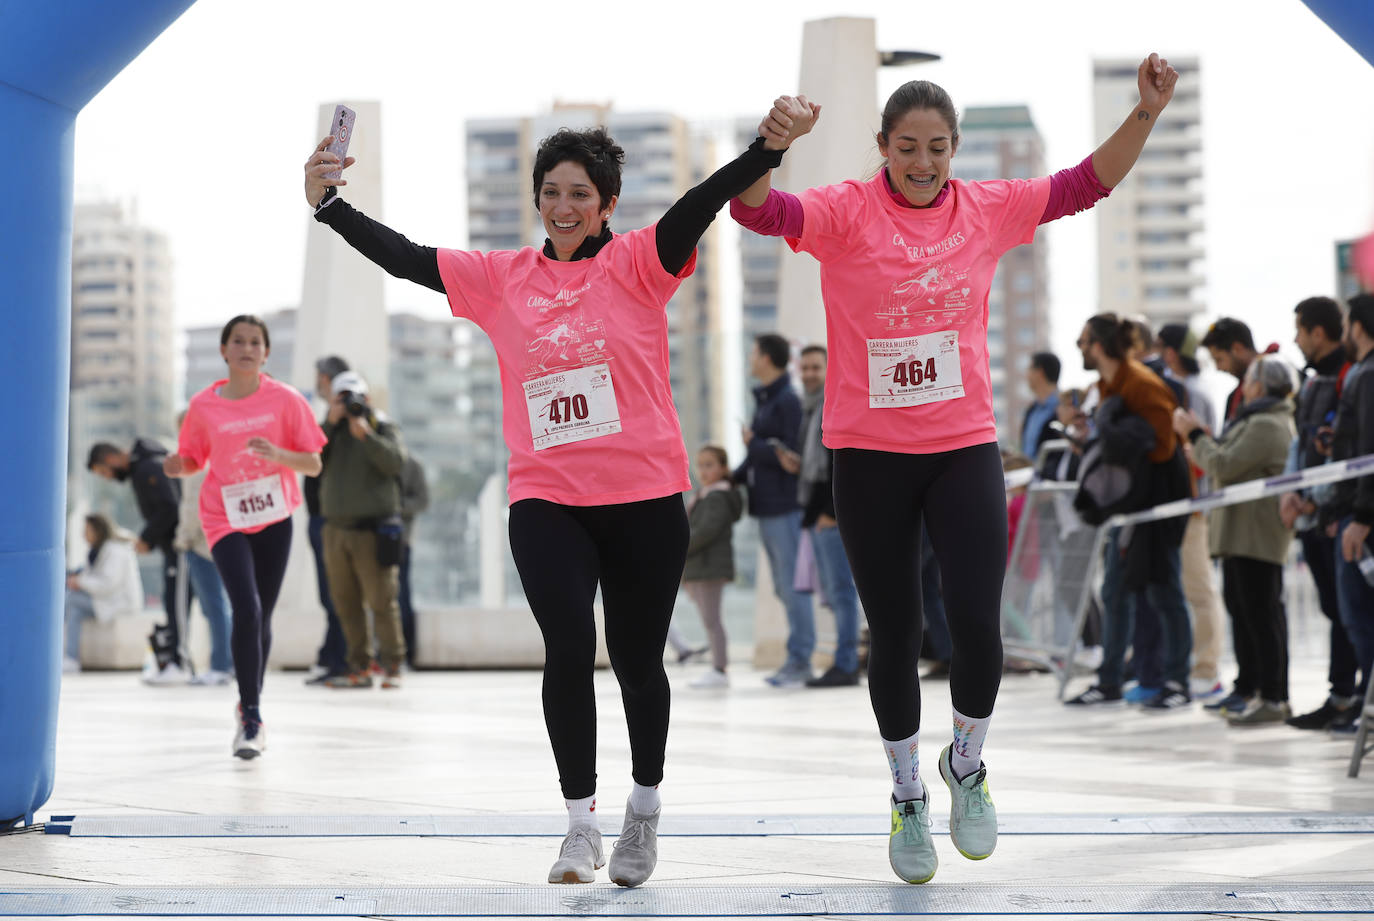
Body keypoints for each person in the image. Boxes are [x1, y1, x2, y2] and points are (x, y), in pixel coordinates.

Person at [304, 101, 811, 887]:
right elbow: (405, 258)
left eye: (581, 193)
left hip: (644, 496)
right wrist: (330, 207)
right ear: (536, 199)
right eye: (551, 192)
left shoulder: (640, 262)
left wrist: (763, 150)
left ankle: (644, 807)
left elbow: (702, 201)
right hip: (547, 498)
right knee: (570, 648)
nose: (564, 206)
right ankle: (580, 824)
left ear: (607, 204)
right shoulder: (503, 279)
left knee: (639, 662)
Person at [730, 55, 1179, 883]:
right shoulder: (843, 211)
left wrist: (1145, 114)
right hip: (867, 455)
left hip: (961, 446)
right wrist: (771, 144)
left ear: (955, 148)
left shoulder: (987, 209)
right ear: (883, 145)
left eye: (938, 146)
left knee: (976, 623)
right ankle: (907, 793)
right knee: (895, 631)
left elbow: (1087, 183)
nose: (923, 161)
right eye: (907, 146)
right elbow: (755, 211)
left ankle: (964, 765)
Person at [164, 315, 326, 760]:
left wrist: (278, 455)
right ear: (224, 351)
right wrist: (179, 466)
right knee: (247, 610)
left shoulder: (286, 400)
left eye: (256, 342)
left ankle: (247, 700)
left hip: (274, 516)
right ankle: (252, 717)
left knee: (262, 619)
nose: (247, 348)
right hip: (224, 516)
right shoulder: (204, 405)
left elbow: (313, 464)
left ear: (266, 353)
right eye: (238, 341)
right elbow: (193, 458)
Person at [1067, 314, 1192, 711]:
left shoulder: (1140, 383)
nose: (1079, 347)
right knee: (1115, 589)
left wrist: (1113, 435)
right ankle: (1109, 682)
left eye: (1084, 341)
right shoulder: (1109, 385)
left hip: (1158, 504)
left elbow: (1162, 445)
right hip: (1129, 507)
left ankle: (1177, 682)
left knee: (1164, 589)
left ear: (1100, 346)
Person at [1174, 356, 1296, 724]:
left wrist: (1196, 436)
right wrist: (1204, 447)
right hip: (1241, 535)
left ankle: (1273, 696)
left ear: (1261, 385)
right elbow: (1222, 460)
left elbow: (1224, 463)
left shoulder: (1267, 423)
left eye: (1251, 381)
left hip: (1257, 537)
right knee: (1244, 611)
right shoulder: (1255, 419)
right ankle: (1250, 688)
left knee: (1261, 614)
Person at [1280, 297, 1360, 730]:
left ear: (1318, 331)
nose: (1296, 339)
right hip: (1313, 515)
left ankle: (1356, 698)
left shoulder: (1352, 374)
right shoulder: (1311, 382)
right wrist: (1291, 492)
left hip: (1337, 512)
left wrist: (1323, 503)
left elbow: (1349, 449)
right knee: (1335, 610)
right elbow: (1301, 442)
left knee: (1353, 612)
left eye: (1299, 329)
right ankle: (1341, 695)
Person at [776, 344, 862, 687]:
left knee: (841, 593)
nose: (810, 373)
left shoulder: (835, 406)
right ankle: (843, 662)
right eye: (805, 367)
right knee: (834, 593)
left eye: (816, 367)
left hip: (831, 516)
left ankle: (846, 664)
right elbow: (818, 465)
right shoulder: (812, 410)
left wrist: (831, 512)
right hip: (816, 514)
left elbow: (846, 462)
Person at [734, 332, 815, 687]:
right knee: (784, 587)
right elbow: (765, 455)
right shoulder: (768, 399)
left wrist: (756, 445)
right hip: (767, 506)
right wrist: (729, 476)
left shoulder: (786, 400)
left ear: (766, 358)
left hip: (784, 506)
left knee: (792, 586)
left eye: (753, 354)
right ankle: (796, 658)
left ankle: (800, 662)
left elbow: (791, 455)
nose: (751, 359)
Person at [318, 370, 408, 689]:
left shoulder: (381, 426)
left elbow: (396, 462)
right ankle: (359, 667)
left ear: (367, 399)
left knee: (382, 601)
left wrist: (366, 437)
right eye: (343, 398)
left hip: (373, 530)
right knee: (345, 602)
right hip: (335, 531)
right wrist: (330, 421)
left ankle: (393, 665)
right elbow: (311, 458)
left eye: (355, 397)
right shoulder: (329, 432)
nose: (351, 404)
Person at [1155, 323, 1225, 700]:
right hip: (1187, 502)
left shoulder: (1191, 394)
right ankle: (1196, 668)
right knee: (1190, 589)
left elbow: (1202, 446)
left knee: (1199, 589)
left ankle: (1207, 670)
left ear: (1169, 352)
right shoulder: (1192, 390)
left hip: (1195, 503)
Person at [87, 438, 189, 683]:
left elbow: (170, 507)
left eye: (103, 472)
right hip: (172, 547)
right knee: (175, 602)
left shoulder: (148, 468)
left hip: (181, 547)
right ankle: (176, 662)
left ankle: (179, 664)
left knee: (178, 604)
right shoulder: (144, 468)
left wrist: (146, 538)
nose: (107, 478)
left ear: (111, 459)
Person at [1318, 293, 1374, 738]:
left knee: (1360, 617)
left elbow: (1369, 451)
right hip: (1352, 511)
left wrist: (1360, 515)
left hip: (1364, 522)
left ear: (1358, 327)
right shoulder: (1361, 373)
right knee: (1354, 616)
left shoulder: (1369, 374)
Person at [172, 411, 235, 686]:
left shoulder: (195, 464)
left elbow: (192, 508)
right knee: (220, 607)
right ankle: (226, 663)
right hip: (221, 542)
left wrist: (183, 539)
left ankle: (221, 665)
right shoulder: (216, 456)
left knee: (215, 607)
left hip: (201, 545)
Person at [304, 355, 350, 685]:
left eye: (321, 377)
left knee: (338, 594)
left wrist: (333, 423)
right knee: (328, 594)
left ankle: (340, 661)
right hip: (320, 518)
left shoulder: (346, 421)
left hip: (333, 520)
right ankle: (332, 657)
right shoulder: (329, 420)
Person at [681, 445, 742, 689]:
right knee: (709, 619)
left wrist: (680, 545)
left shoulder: (717, 496)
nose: (704, 470)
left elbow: (706, 531)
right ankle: (717, 667)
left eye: (710, 465)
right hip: (701, 567)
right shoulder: (706, 494)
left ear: (723, 468)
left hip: (710, 568)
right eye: (701, 465)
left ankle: (719, 668)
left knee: (712, 619)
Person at [63, 514, 143, 673]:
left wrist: (79, 582)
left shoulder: (116, 551)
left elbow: (108, 584)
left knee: (70, 601)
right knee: (74, 611)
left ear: (98, 531)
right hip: (103, 600)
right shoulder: (96, 551)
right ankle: (70, 658)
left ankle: (66, 656)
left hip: (119, 602)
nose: (83, 535)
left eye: (87, 530)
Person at [1201, 318, 1277, 424]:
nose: (1218, 368)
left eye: (1219, 359)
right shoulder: (1234, 398)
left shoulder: (1278, 384)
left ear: (1238, 349)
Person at [398, 451, 430, 669]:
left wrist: (393, 506)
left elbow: (423, 500)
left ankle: (407, 654)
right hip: (369, 538)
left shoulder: (412, 463)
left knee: (402, 596)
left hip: (401, 539)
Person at [1021, 352, 1061, 462]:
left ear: (1040, 372)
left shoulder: (1063, 410)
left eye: (1029, 369)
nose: (1026, 375)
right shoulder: (1032, 410)